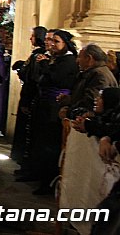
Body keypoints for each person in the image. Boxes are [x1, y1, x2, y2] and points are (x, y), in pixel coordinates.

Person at [29, 29, 79, 195]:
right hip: (45, 105)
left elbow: (56, 78)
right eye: (51, 41)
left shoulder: (69, 61)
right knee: (41, 143)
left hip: (54, 108)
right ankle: (39, 176)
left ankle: (48, 183)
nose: (51, 44)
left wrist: (44, 65)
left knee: (50, 146)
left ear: (65, 44)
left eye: (56, 41)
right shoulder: (55, 59)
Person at [11, 26, 46, 175]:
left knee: (28, 133)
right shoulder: (37, 55)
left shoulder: (38, 56)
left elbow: (32, 79)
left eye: (32, 36)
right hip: (31, 97)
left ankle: (26, 164)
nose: (30, 39)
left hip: (31, 98)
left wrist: (26, 101)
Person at [60, 43, 118, 120]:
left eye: (80, 57)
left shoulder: (99, 75)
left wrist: (69, 112)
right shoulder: (96, 72)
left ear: (89, 58)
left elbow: (91, 101)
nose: (77, 60)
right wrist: (70, 99)